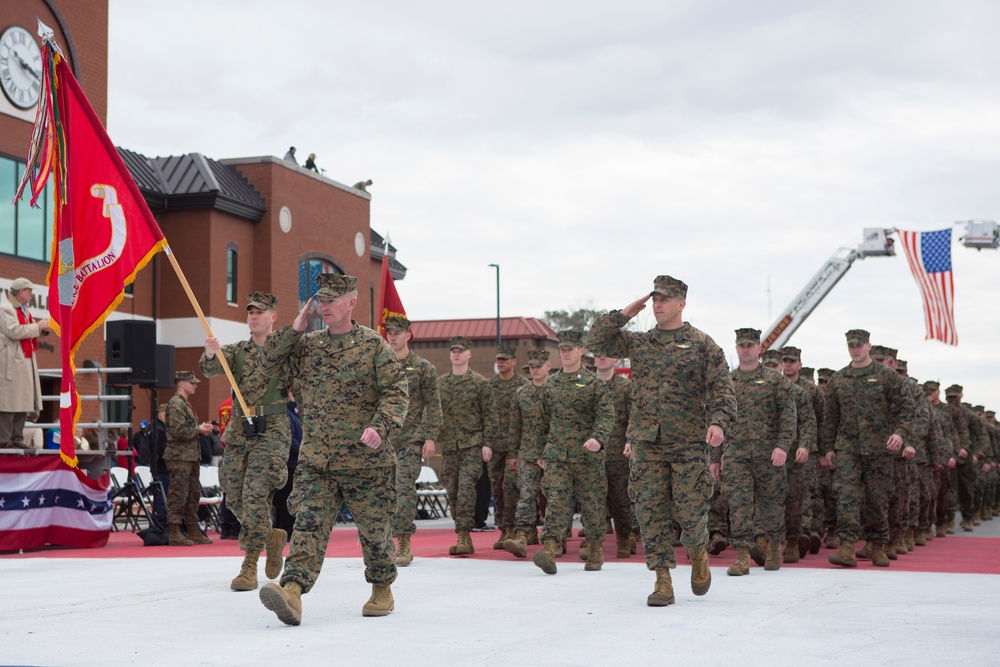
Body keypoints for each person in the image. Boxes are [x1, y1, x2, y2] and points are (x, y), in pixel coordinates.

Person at [256, 273, 408, 625]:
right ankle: (292, 591)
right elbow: (267, 365)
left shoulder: (373, 346)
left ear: (351, 302)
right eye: (320, 300)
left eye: (332, 300)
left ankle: (382, 586)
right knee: (307, 525)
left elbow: (397, 392)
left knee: (375, 533)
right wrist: (294, 329)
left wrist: (380, 426)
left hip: (366, 462)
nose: (324, 306)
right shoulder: (308, 346)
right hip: (317, 461)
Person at [587, 275, 736, 607]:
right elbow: (596, 340)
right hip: (646, 443)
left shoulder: (702, 344)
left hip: (687, 444)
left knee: (690, 511)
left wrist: (719, 423)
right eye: (654, 299)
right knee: (650, 512)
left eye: (664, 300)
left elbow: (723, 389)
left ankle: (698, 552)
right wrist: (625, 313)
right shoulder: (640, 343)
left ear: (681, 304)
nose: (657, 305)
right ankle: (663, 580)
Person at [202, 291, 293, 591]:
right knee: (234, 493)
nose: (253, 316)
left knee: (255, 495)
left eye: (260, 312)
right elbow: (208, 368)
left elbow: (307, 378)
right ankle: (271, 536)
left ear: (273, 317)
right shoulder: (238, 351)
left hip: (272, 430)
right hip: (242, 431)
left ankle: (250, 564)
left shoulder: (284, 350)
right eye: (250, 312)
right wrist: (211, 352)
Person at [822, 330, 915, 568]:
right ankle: (847, 546)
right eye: (851, 344)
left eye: (860, 344)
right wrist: (828, 448)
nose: (855, 348)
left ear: (869, 346)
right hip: (847, 447)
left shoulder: (887, 377)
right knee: (846, 495)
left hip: (879, 448)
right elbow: (830, 417)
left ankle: (877, 544)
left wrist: (900, 433)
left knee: (878, 498)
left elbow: (907, 406)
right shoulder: (839, 379)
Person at [531, 330, 614, 575]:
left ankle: (596, 548)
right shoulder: (551, 383)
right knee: (555, 501)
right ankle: (549, 549)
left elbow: (606, 415)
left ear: (581, 351)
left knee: (592, 503)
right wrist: (540, 451)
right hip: (557, 454)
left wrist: (598, 438)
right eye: (562, 350)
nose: (565, 353)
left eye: (570, 349)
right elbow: (542, 420)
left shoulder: (593, 383)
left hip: (587, 455)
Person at [714, 329, 795, 576]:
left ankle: (771, 549)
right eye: (742, 345)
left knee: (771, 504)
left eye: (750, 345)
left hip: (768, 454)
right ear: (736, 348)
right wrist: (715, 458)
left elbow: (789, 417)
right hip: (736, 454)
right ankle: (742, 556)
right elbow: (718, 419)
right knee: (738, 504)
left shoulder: (776, 381)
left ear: (759, 348)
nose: (746, 349)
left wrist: (782, 446)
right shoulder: (727, 381)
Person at [384, 315, 442, 566]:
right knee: (383, 490)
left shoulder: (423, 367)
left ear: (408, 335)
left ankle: (404, 541)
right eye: (389, 332)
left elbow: (433, 405)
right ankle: (383, 541)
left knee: (404, 487)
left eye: (398, 332)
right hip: (383, 438)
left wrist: (430, 437)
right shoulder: (379, 364)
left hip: (411, 437)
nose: (393, 336)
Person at [437, 335, 496, 557]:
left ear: (468, 354)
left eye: (460, 351)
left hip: (472, 444)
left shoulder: (480, 383)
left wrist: (487, 444)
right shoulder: (441, 383)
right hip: (450, 446)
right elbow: (433, 413)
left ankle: (463, 535)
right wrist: (430, 438)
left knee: (466, 489)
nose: (456, 354)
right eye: (453, 351)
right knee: (452, 490)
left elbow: (490, 416)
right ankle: (461, 529)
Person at [503, 349, 552, 557]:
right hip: (527, 453)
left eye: (538, 366)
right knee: (526, 494)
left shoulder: (556, 391)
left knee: (553, 496)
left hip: (553, 454)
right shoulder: (522, 393)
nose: (534, 370)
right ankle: (522, 535)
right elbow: (515, 426)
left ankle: (553, 538)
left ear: (548, 367)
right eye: (531, 367)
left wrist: (549, 452)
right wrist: (513, 454)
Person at [593, 354, 637, 558]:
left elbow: (633, 417)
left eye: (607, 356)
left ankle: (624, 538)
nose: (602, 359)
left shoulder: (625, 387)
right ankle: (594, 542)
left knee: (621, 500)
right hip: (591, 454)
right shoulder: (586, 386)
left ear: (616, 362)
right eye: (598, 356)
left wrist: (630, 440)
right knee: (592, 500)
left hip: (618, 452)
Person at [164, 371, 215, 546]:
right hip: (180, 457)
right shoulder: (176, 404)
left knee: (193, 494)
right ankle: (175, 531)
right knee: (178, 494)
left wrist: (199, 428)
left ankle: (192, 529)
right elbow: (178, 431)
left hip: (190, 456)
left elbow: (185, 429)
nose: (195, 386)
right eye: (191, 383)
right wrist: (198, 430)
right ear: (182, 384)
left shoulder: (184, 404)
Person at [487, 343, 528, 549]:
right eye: (498, 359)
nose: (501, 362)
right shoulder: (489, 386)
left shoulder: (523, 385)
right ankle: (503, 529)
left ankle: (513, 528)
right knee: (497, 489)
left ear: (514, 361)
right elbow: (485, 416)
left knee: (511, 487)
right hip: (495, 446)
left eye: (505, 359)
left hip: (517, 447)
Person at [1, 278, 49, 450]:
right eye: (29, 291)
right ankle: (4, 440)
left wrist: (41, 331)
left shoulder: (23, 310)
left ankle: (17, 438)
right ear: (21, 292)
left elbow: (26, 332)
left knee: (22, 401)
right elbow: (14, 331)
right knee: (8, 404)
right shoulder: (6, 309)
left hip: (22, 362)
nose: (31, 295)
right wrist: (37, 326)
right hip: (11, 364)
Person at [271, 394, 301, 537]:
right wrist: (303, 451)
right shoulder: (286, 414)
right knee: (284, 497)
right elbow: (290, 439)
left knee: (290, 496)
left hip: (295, 462)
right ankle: (284, 529)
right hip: (288, 462)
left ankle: (288, 527)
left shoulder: (295, 412)